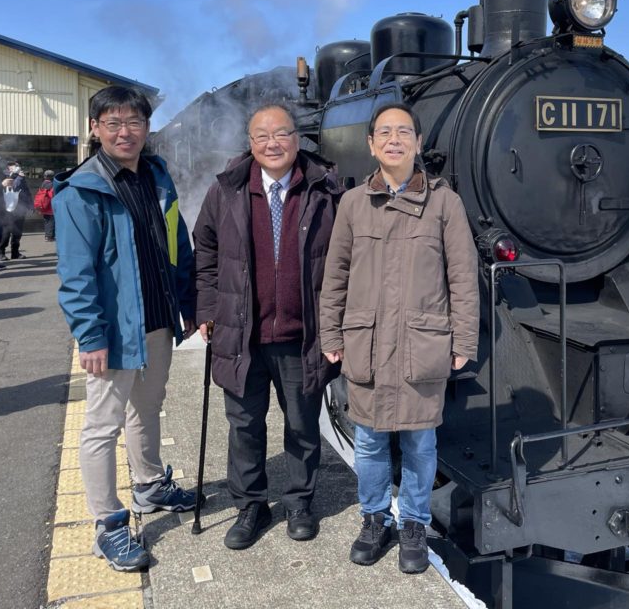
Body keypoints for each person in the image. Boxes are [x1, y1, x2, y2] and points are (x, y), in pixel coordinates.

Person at [319, 102, 479, 574]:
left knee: (420, 444)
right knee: (369, 442)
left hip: (421, 343)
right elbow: (336, 276)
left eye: (403, 132)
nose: (394, 140)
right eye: (384, 132)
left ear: (418, 143)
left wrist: (463, 341)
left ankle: (412, 522)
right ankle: (373, 519)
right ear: (370, 144)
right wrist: (331, 331)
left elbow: (463, 279)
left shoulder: (445, 203)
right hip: (367, 342)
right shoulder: (352, 204)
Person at [54, 85, 198, 572]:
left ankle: (149, 486)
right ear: (94, 129)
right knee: (101, 426)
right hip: (113, 331)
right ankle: (108, 525)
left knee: (148, 407)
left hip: (158, 320)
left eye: (133, 122)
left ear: (146, 127)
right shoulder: (80, 191)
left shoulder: (157, 175)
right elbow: (77, 275)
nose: (124, 132)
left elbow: (178, 242)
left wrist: (190, 301)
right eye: (112, 123)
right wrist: (89, 336)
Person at [193, 102, 342, 550]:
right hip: (243, 334)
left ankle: (299, 502)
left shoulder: (324, 189)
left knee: (301, 425)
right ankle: (250, 504)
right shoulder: (227, 191)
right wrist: (206, 309)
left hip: (302, 335)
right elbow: (205, 253)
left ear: (297, 139)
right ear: (251, 143)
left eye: (281, 134)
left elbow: (346, 261)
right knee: (244, 425)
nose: (272, 143)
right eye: (262, 136)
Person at [0, 160, 33, 260]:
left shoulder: (20, 176)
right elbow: (13, 186)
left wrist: (30, 204)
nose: (18, 167)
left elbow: (26, 191)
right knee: (6, 232)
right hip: (8, 209)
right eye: (15, 166)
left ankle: (15, 252)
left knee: (17, 232)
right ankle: (1, 252)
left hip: (20, 208)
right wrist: (19, 176)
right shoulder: (5, 175)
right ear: (9, 167)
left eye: (18, 165)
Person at [35, 169, 56, 241]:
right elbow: (52, 195)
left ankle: (47, 235)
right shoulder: (52, 185)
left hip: (44, 206)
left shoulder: (43, 184)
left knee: (47, 221)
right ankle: (50, 236)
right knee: (51, 221)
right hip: (50, 206)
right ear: (52, 176)